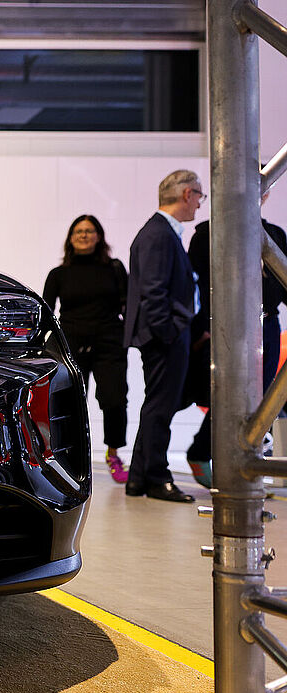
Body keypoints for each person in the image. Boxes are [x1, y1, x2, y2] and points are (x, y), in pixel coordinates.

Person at [181, 189, 287, 488]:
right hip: (226, 326)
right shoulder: (208, 234)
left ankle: (244, 465)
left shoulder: (275, 234)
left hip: (268, 325)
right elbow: (195, 286)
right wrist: (202, 329)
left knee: (260, 399)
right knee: (227, 395)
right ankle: (201, 452)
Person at [123, 169, 204, 503]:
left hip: (165, 335)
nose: (200, 203)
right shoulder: (159, 234)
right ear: (186, 194)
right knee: (161, 408)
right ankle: (157, 478)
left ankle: (138, 478)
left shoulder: (161, 232)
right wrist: (169, 333)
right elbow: (153, 293)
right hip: (164, 338)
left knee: (156, 406)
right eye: (199, 196)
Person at [43, 215, 130, 483]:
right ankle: (70, 458)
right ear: (71, 238)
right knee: (71, 403)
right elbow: (46, 313)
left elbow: (128, 305)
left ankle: (113, 454)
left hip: (109, 343)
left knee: (114, 399)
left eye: (89, 231)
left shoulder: (114, 268)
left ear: (99, 236)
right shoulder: (58, 274)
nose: (84, 235)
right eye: (79, 231)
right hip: (71, 344)